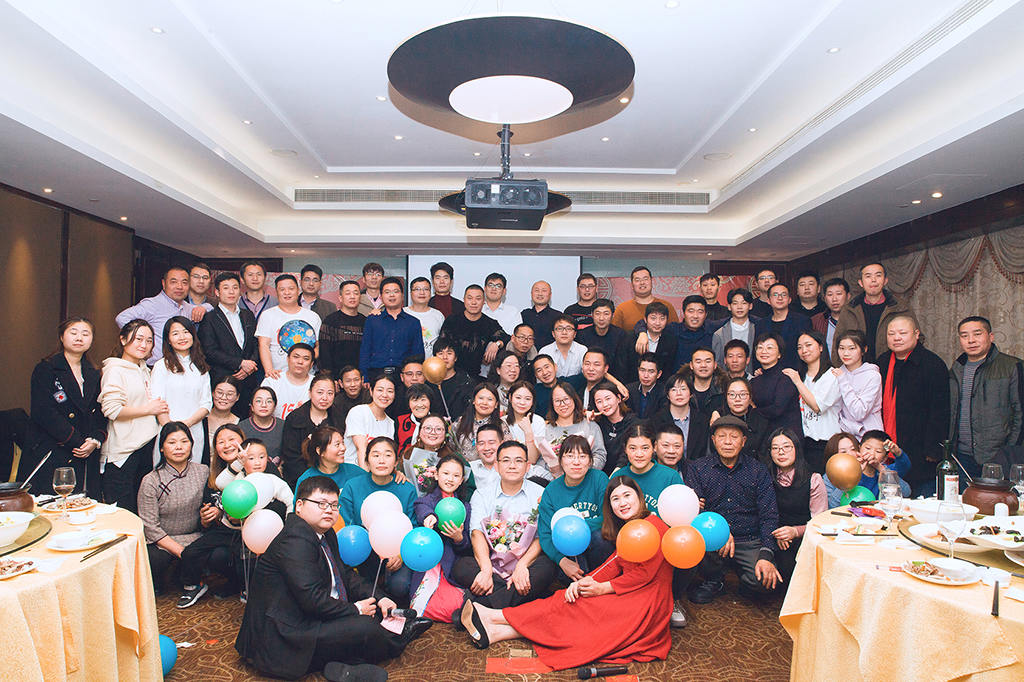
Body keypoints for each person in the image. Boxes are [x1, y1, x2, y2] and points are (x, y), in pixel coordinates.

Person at [461, 476, 675, 669]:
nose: (622, 503)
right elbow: (614, 564)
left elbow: (644, 575)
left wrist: (602, 588)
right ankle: (497, 631)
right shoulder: (628, 527)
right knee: (567, 597)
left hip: (647, 600)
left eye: (627, 495)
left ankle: (495, 615)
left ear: (639, 497)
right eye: (615, 499)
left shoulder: (653, 526)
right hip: (628, 591)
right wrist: (584, 582)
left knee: (582, 611)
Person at [235, 475, 429, 681]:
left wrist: (380, 597)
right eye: (321, 504)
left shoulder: (324, 533)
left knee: (371, 612)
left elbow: (344, 574)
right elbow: (312, 600)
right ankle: (396, 640)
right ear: (299, 506)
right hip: (283, 636)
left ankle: (344, 662)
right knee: (365, 626)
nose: (329, 510)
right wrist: (356, 609)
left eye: (334, 505)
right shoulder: (294, 539)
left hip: (305, 615)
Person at [686, 415, 781, 604]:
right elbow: (693, 510)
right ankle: (715, 580)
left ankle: (744, 577)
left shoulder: (758, 470)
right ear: (713, 440)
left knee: (764, 582)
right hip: (712, 536)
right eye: (722, 436)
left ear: (743, 441)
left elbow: (769, 515)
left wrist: (766, 555)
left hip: (748, 538)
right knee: (694, 538)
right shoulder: (698, 468)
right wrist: (719, 531)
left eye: (734, 437)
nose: (728, 442)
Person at [452, 441, 556, 609]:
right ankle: (524, 599)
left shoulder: (542, 494)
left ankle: (480, 608)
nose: (512, 466)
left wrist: (522, 566)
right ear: (496, 465)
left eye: (518, 461)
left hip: (527, 563)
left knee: (547, 568)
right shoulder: (482, 494)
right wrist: (486, 569)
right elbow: (477, 533)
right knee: (461, 567)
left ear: (528, 466)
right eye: (506, 460)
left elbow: (541, 537)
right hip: (492, 564)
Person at [26, 317, 106, 498]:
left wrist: (95, 440)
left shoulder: (94, 372)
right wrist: (77, 441)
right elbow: (44, 412)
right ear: (62, 337)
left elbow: (100, 411)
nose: (79, 338)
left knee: (83, 505)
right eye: (73, 333)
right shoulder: (46, 369)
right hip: (55, 447)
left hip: (86, 450)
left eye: (85, 334)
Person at [876, 314, 950, 491]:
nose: (896, 338)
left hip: (921, 448)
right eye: (891, 334)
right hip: (888, 445)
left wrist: (933, 449)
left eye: (902, 333)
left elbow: (940, 411)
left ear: (916, 334)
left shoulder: (932, 364)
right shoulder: (882, 362)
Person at [137, 422, 212, 595]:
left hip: (195, 535)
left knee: (219, 554)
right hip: (162, 540)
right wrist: (182, 552)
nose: (179, 447)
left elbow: (208, 508)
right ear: (162, 448)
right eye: (172, 442)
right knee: (156, 559)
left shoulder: (203, 472)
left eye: (184, 441)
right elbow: (150, 527)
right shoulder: (151, 480)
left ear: (191, 445)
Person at [340, 437, 417, 601]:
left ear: (396, 461)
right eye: (375, 455)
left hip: (397, 551)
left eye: (388, 455)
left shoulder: (407, 489)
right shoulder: (352, 486)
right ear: (367, 461)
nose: (381, 460)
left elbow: (413, 526)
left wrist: (400, 554)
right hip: (362, 550)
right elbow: (346, 523)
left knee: (400, 586)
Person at [949, 316, 1024, 482]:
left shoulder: (1012, 366)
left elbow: (1021, 414)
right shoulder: (955, 369)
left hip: (999, 456)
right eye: (964, 336)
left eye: (977, 334)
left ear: (990, 336)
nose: (971, 340)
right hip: (961, 456)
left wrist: (1009, 451)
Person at [100, 320, 164, 511]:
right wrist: (149, 409)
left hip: (145, 444)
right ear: (123, 339)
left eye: (149, 340)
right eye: (138, 339)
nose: (144, 345)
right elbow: (112, 410)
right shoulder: (114, 370)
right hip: (124, 449)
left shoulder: (144, 369)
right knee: (122, 509)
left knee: (141, 507)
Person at [537, 436, 612, 578]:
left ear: (590, 460)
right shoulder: (551, 491)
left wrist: (576, 527)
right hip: (566, 551)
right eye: (570, 456)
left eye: (582, 456)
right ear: (560, 460)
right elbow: (545, 534)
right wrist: (562, 561)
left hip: (597, 546)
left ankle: (600, 581)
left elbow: (608, 517)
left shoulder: (599, 479)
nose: (576, 462)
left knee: (600, 537)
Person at [411, 454, 474, 622]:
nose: (450, 479)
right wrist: (429, 517)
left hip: (451, 562)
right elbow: (422, 509)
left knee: (455, 605)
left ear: (461, 480)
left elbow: (467, 546)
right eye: (446, 473)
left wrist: (459, 538)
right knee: (424, 606)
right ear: (437, 475)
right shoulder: (426, 500)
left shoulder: (465, 507)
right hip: (430, 562)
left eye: (456, 475)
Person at [765, 429, 827, 582]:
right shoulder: (765, 477)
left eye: (787, 447)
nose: (781, 452)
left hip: (805, 536)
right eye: (775, 448)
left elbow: (819, 523)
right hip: (773, 535)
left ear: (796, 449)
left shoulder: (813, 479)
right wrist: (779, 534)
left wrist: (794, 532)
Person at [115, 265, 206, 365]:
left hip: (177, 365)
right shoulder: (152, 304)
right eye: (174, 282)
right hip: (152, 365)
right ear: (164, 284)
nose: (179, 287)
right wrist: (143, 341)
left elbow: (210, 308)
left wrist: (204, 307)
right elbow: (122, 318)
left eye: (184, 283)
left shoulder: (187, 307)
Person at [151, 316, 211, 464]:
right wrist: (172, 431)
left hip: (194, 430)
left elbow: (206, 404)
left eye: (186, 332)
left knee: (193, 473)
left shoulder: (200, 366)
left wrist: (186, 425)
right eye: (175, 333)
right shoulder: (161, 366)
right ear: (168, 340)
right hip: (167, 432)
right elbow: (157, 402)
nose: (182, 337)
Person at [198, 272, 260, 415]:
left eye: (235, 287)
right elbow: (209, 351)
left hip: (248, 380)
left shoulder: (248, 315)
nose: (231, 292)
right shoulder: (210, 318)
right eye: (226, 288)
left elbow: (256, 344)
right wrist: (240, 363)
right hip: (222, 380)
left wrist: (249, 367)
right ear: (217, 292)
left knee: (244, 420)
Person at [832, 262, 914, 364]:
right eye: (868, 276)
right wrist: (840, 368)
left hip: (892, 367)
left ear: (885, 280)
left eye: (878, 275)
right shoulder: (850, 308)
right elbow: (837, 341)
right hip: (857, 369)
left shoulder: (900, 307)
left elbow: (916, 338)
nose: (873, 280)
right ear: (861, 283)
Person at [783, 331, 840, 473]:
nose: (804, 350)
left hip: (827, 442)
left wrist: (797, 381)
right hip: (805, 442)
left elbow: (817, 406)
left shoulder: (831, 375)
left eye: (808, 345)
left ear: (821, 347)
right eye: (799, 347)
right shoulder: (801, 376)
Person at [281, 373, 345, 486]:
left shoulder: (338, 418)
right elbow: (291, 457)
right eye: (320, 392)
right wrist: (312, 479)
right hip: (300, 478)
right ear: (310, 393)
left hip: (333, 476)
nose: (325, 398)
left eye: (330, 393)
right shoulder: (295, 418)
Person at [821, 430, 912, 506]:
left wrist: (881, 469)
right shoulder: (831, 476)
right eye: (868, 448)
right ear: (860, 448)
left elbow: (906, 492)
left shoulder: (881, 471)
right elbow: (832, 506)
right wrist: (852, 476)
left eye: (878, 451)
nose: (871, 453)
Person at [359, 277, 424, 381]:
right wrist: (365, 377)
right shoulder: (372, 320)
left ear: (402, 295)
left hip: (403, 377)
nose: (392, 295)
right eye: (387, 292)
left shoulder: (413, 322)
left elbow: (418, 354)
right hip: (375, 375)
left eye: (396, 291)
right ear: (381, 296)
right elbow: (365, 351)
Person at [256, 274, 322, 378]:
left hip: (306, 375)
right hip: (277, 375)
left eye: (291, 288)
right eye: (282, 289)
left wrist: (306, 362)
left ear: (298, 290)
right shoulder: (267, 315)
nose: (287, 293)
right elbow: (263, 345)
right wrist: (269, 370)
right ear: (276, 292)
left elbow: (318, 346)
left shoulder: (312, 317)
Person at [610, 423, 683, 515]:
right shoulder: (618, 477)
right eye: (632, 448)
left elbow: (681, 512)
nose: (639, 454)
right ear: (625, 449)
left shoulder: (670, 476)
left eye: (645, 448)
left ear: (654, 447)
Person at [438, 285, 509, 379]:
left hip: (475, 376)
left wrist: (497, 344)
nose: (474, 302)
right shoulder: (452, 321)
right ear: (464, 300)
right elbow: (440, 345)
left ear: (484, 301)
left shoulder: (489, 323)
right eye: (470, 298)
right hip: (451, 374)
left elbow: (507, 338)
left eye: (478, 299)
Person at [543, 382, 607, 472]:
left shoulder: (590, 425)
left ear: (574, 399)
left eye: (566, 399)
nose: (562, 404)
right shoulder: (546, 430)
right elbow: (542, 461)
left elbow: (600, 455)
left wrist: (581, 470)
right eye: (557, 401)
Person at [647, 372, 709, 461]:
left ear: (691, 393)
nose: (679, 393)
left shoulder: (703, 420)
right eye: (674, 390)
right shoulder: (655, 420)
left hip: (697, 467)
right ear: (668, 395)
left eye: (683, 389)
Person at [750, 332, 803, 437]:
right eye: (760, 347)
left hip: (786, 435)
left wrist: (754, 410)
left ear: (779, 354)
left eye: (769, 348)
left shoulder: (786, 377)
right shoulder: (755, 380)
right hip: (763, 434)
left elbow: (777, 409)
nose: (764, 351)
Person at [833, 330, 883, 438]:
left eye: (852, 348)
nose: (846, 353)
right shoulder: (836, 373)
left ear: (864, 350)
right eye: (842, 348)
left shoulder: (872, 376)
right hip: (845, 436)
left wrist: (843, 381)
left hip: (870, 436)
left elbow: (859, 413)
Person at [295, 424, 367, 496]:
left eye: (343, 443)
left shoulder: (356, 472)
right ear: (319, 451)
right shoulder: (306, 479)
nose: (343, 448)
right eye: (337, 444)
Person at [710, 377, 769, 461]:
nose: (737, 399)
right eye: (732, 395)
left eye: (743, 394)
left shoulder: (761, 420)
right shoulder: (718, 419)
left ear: (750, 397)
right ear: (726, 397)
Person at [753, 283, 810, 371]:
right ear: (768, 300)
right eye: (775, 295)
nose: (780, 298)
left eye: (783, 295)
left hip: (795, 372)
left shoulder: (802, 321)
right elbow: (756, 349)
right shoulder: (761, 324)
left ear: (789, 300)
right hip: (767, 373)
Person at [344, 374, 396, 468]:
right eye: (380, 390)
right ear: (371, 391)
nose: (385, 395)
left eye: (390, 391)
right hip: (354, 469)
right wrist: (365, 475)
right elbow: (361, 449)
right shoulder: (358, 412)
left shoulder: (390, 423)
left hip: (377, 473)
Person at [318, 280, 366, 378]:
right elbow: (325, 354)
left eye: (356, 293)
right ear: (340, 298)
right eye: (348, 293)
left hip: (359, 378)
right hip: (336, 377)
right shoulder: (330, 321)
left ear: (360, 298)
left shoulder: (365, 322)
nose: (352, 296)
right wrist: (331, 378)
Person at [400, 413, 455, 495]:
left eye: (438, 429)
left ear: (445, 434)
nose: (433, 432)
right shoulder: (408, 454)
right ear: (419, 432)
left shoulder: (454, 458)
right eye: (428, 428)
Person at [620, 302, 679, 380]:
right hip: (632, 383)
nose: (657, 323)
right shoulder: (630, 337)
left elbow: (668, 369)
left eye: (662, 318)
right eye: (653, 318)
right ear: (645, 319)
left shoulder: (671, 340)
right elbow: (622, 367)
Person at [593, 381, 641, 475]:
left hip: (625, 474)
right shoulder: (597, 423)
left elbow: (628, 453)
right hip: (600, 475)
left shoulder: (634, 423)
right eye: (599, 401)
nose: (605, 404)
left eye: (608, 399)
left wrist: (616, 472)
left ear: (618, 398)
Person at [452, 384, 509, 462]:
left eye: (490, 399)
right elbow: (451, 446)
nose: (484, 403)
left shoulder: (501, 426)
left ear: (496, 404)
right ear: (473, 401)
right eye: (481, 398)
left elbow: (507, 451)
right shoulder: (461, 422)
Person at [611, 266, 679, 331]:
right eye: (637, 280)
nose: (642, 283)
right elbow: (614, 335)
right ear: (632, 285)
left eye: (645, 279)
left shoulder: (666, 306)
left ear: (651, 281)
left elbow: (676, 333)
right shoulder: (622, 309)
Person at [261, 343, 313, 419]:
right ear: (288, 359)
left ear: (311, 364)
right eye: (296, 357)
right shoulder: (272, 381)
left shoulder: (316, 384)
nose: (300, 362)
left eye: (306, 359)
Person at [712, 288, 758, 370]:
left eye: (744, 303)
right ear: (729, 307)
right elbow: (717, 363)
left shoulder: (757, 330)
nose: (739, 307)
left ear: (750, 306)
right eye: (735, 303)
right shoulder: (719, 334)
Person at [505, 381, 547, 470]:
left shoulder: (538, 421)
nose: (522, 402)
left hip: (533, 471)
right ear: (510, 398)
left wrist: (528, 432)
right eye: (518, 397)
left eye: (527, 399)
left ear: (533, 401)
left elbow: (532, 459)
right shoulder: (502, 422)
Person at [240, 386, 284, 467]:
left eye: (269, 401)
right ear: (252, 406)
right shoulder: (241, 427)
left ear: (275, 406)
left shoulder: (283, 426)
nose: (264, 405)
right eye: (258, 401)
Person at [431, 339, 475, 419]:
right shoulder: (429, 381)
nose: (445, 357)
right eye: (440, 353)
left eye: (449, 353)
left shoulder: (466, 382)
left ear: (455, 358)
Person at [577, 298, 625, 366]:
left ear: (612, 315)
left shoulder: (621, 335)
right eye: (597, 314)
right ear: (592, 315)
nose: (601, 318)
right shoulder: (582, 335)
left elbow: (622, 363)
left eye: (606, 314)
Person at [404, 276, 445, 356]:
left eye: (426, 289)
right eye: (417, 289)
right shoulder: (402, 313)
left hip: (432, 363)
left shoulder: (438, 315)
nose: (422, 293)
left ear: (430, 292)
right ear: (411, 293)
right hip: (407, 363)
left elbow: (442, 344)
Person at [538, 313, 587, 378]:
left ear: (575, 334)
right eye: (559, 328)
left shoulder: (582, 350)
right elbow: (541, 378)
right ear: (553, 334)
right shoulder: (545, 351)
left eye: (569, 329)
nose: (564, 332)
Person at [520, 280, 561, 349]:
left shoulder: (558, 316)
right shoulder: (524, 314)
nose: (540, 294)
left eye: (544, 291)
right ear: (531, 294)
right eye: (537, 290)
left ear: (550, 295)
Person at [812, 277, 850, 353]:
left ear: (848, 296)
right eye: (830, 295)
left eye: (839, 294)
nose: (834, 299)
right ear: (824, 298)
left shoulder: (856, 318)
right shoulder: (816, 321)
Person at [684, 347, 726, 415]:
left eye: (708, 361)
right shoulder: (681, 389)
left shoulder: (724, 389)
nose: (703, 365)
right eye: (698, 362)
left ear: (715, 365)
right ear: (691, 365)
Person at [395, 382, 434, 454]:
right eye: (415, 400)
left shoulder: (438, 422)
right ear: (409, 403)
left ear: (430, 401)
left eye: (423, 399)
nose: (419, 405)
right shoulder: (400, 421)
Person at [204, 377, 240, 453]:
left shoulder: (240, 423)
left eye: (229, 394)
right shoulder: (201, 418)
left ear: (237, 397)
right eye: (219, 393)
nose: (223, 397)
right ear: (212, 393)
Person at [625, 353, 665, 419]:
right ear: (638, 370)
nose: (646, 375)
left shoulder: (663, 393)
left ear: (659, 374)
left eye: (651, 371)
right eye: (642, 370)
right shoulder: (629, 390)